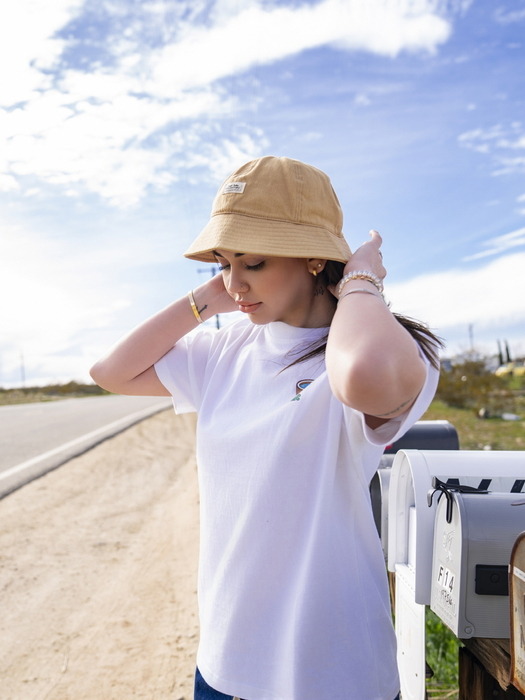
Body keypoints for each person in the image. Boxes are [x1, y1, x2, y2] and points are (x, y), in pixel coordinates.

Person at [90, 156, 441, 700]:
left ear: (312, 259)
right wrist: (213, 293)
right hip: (223, 670)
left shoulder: (385, 346)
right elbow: (111, 372)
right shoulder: (223, 349)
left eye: (254, 261)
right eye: (222, 262)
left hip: (334, 676)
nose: (235, 282)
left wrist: (360, 280)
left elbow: (365, 377)